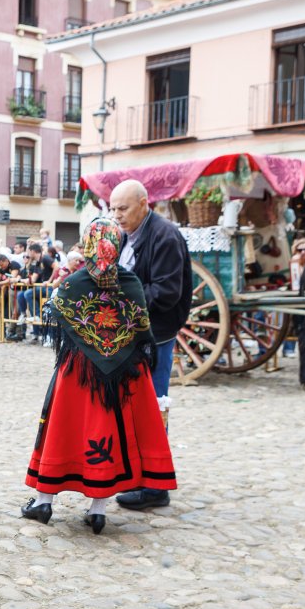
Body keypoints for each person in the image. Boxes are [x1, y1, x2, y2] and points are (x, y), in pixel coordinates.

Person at [21, 218, 177, 534]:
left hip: (78, 372)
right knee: (112, 431)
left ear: (88, 246)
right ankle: (98, 509)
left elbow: (57, 317)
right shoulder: (131, 283)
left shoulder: (72, 284)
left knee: (64, 428)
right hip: (125, 375)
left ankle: (43, 502)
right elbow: (141, 330)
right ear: (117, 246)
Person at [108, 179, 192, 511]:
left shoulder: (165, 235)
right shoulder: (131, 233)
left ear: (144, 203)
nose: (117, 215)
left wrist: (120, 300)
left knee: (154, 408)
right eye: (113, 208)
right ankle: (137, 474)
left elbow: (167, 292)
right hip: (137, 334)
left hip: (155, 336)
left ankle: (155, 486)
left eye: (123, 208)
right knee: (137, 408)